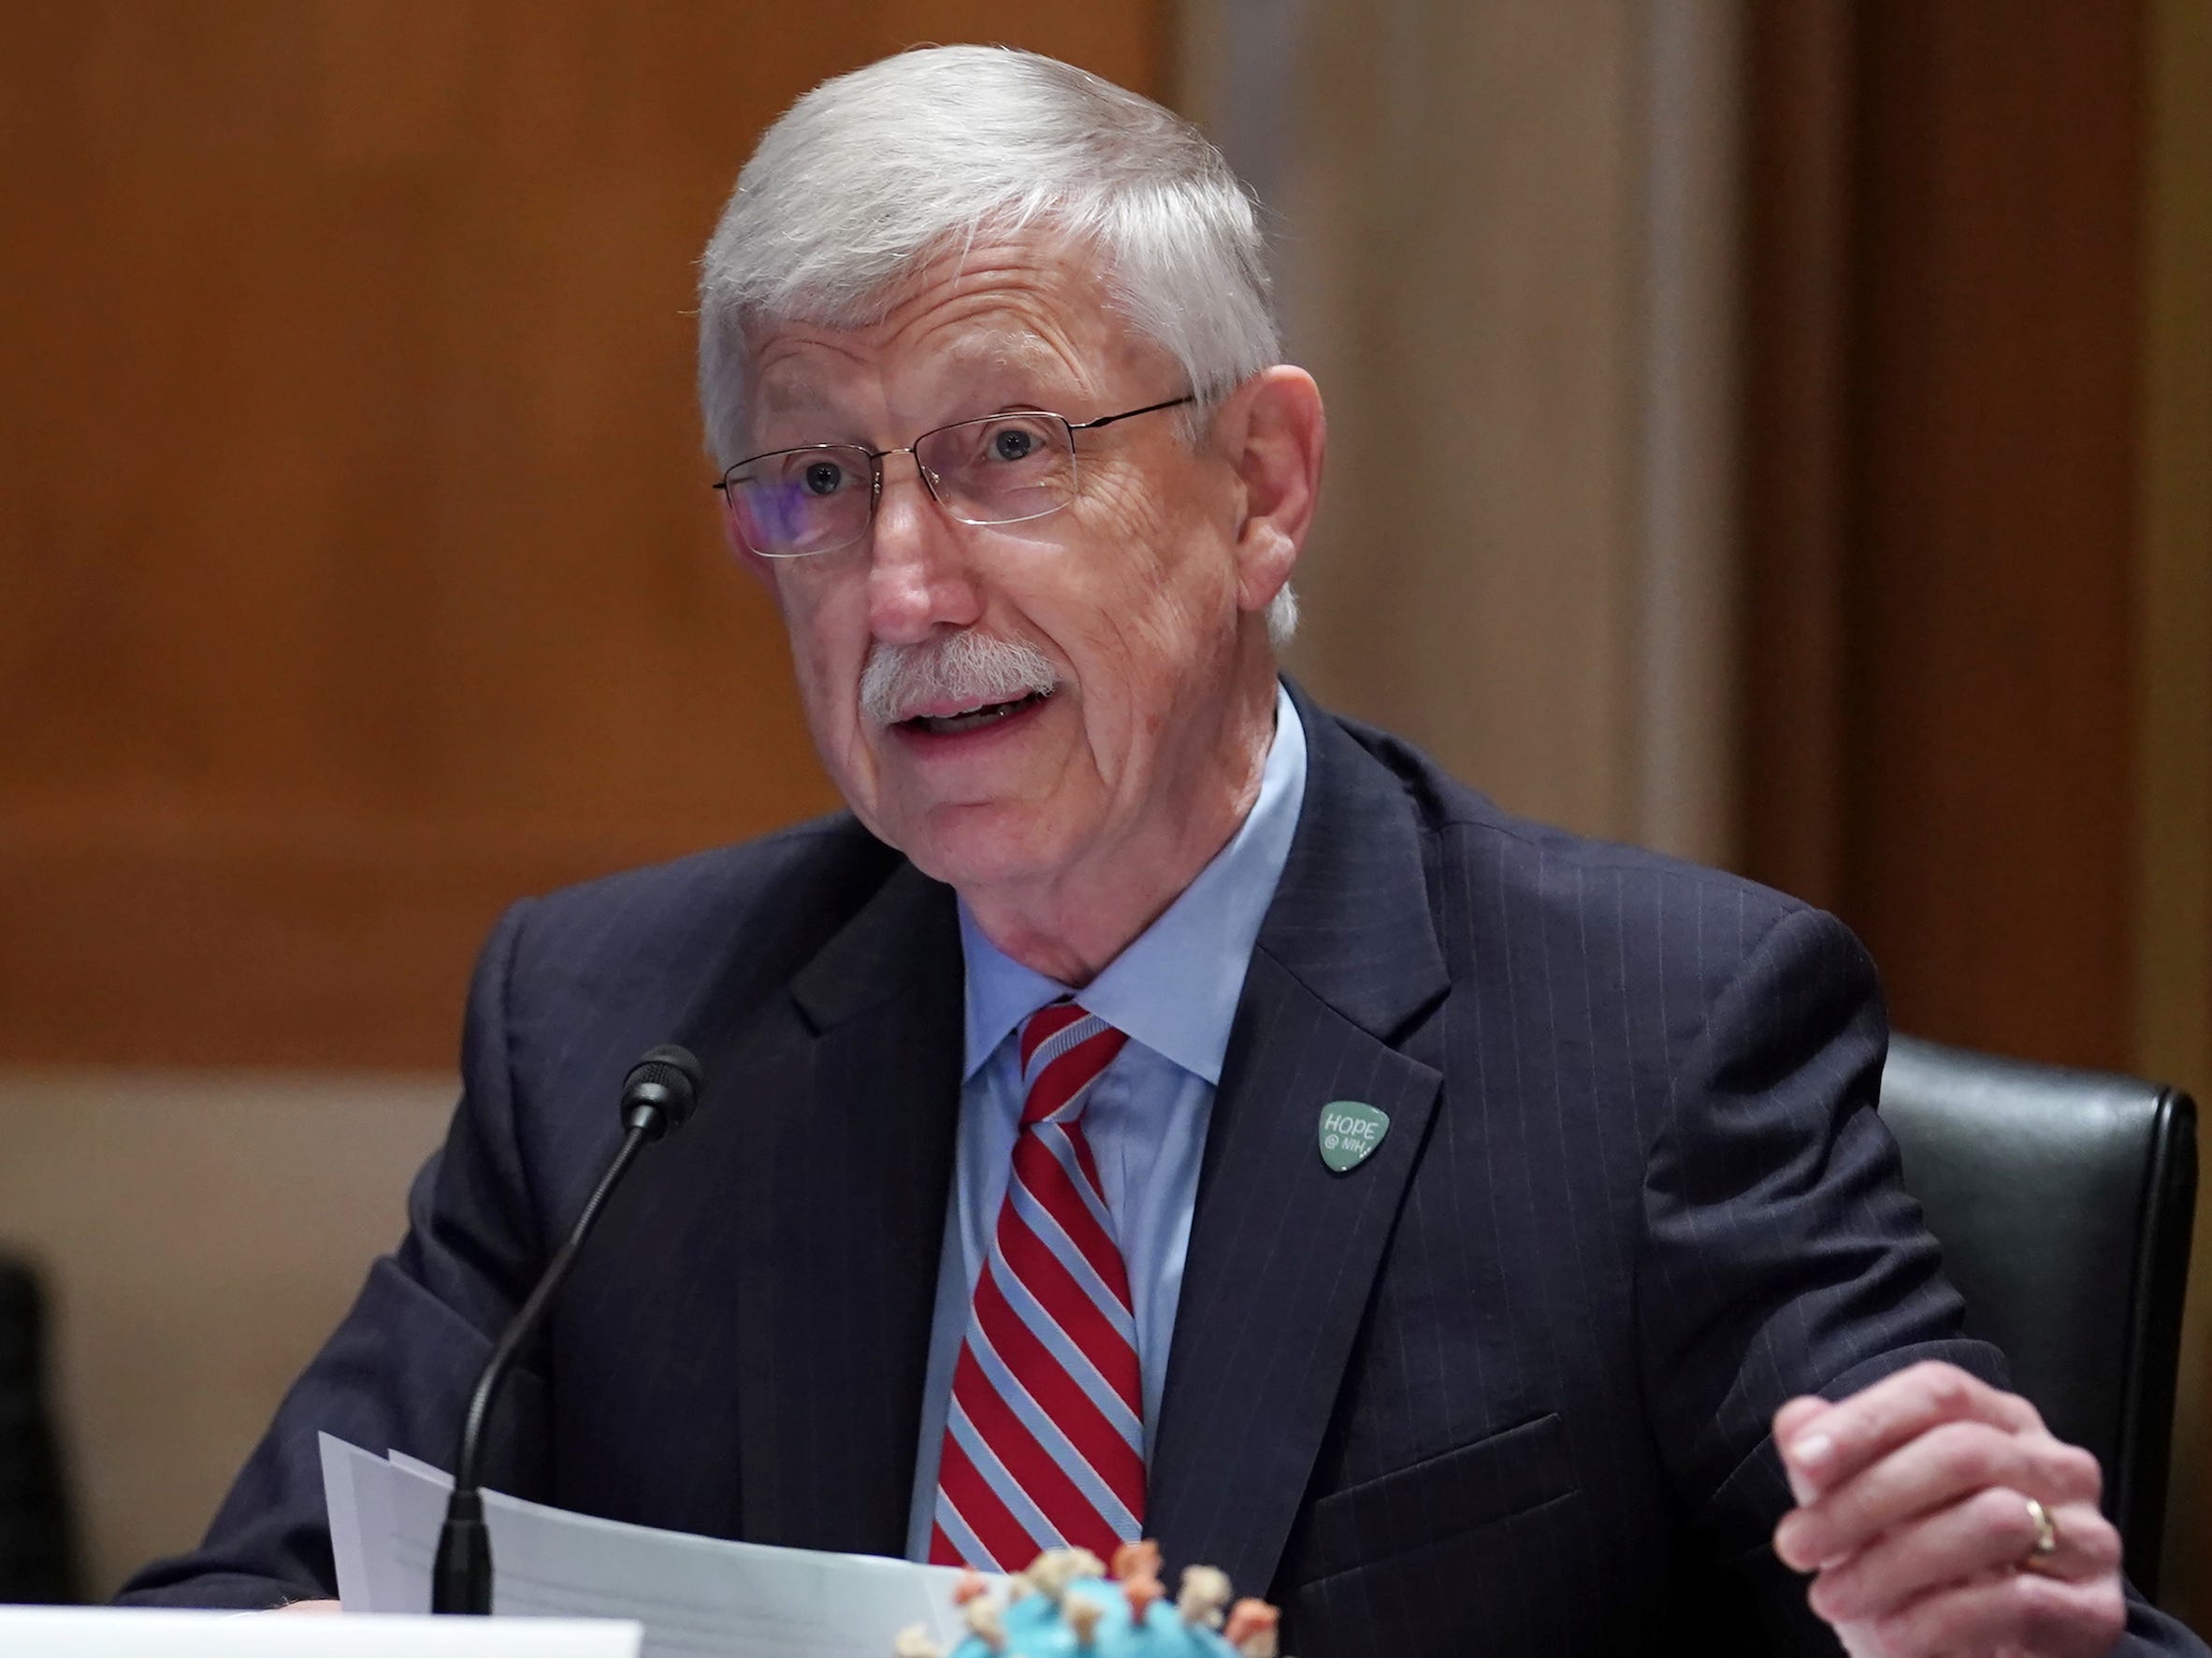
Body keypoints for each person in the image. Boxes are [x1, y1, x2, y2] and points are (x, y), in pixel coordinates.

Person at [118, 46, 2199, 1657]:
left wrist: (1989, 1600)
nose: (904, 586)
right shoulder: (620, 1040)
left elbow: (1968, 1587)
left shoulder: (1655, 1042)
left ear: (1261, 480)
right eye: (817, 481)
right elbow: (252, 1598)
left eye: (1005, 448)